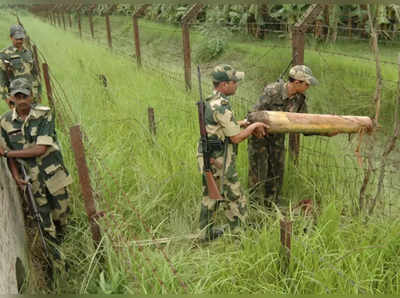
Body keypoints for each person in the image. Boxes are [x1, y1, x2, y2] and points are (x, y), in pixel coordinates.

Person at [198, 64, 268, 241]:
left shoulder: (212, 100)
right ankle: (239, 235)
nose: (236, 84)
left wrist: (241, 123)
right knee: (235, 196)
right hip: (220, 158)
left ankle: (205, 232)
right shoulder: (221, 106)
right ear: (223, 85)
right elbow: (236, 138)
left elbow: (220, 126)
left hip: (211, 155)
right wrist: (253, 126)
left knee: (211, 195)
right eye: (234, 81)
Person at [248, 65, 335, 207]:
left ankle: (270, 210)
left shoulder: (300, 99)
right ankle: (254, 210)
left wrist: (325, 132)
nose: (308, 86)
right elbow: (252, 115)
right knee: (258, 176)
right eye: (306, 83)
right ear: (296, 82)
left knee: (276, 177)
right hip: (260, 140)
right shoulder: (272, 91)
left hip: (278, 142)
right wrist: (258, 127)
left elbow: (305, 125)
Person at [0, 78, 72, 245]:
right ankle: (55, 256)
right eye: (17, 97)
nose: (22, 101)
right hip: (31, 181)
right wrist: (17, 176)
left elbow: (41, 149)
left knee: (62, 215)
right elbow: (8, 152)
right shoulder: (4, 122)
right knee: (43, 220)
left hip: (53, 174)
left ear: (32, 96)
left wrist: (9, 154)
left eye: (25, 96)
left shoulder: (43, 114)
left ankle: (67, 244)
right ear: (11, 98)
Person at [0, 24, 41, 107]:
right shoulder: (4, 55)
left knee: (34, 118)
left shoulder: (29, 53)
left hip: (31, 95)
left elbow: (35, 74)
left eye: (21, 38)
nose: (19, 41)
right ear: (11, 37)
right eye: (17, 39)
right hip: (17, 96)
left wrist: (38, 93)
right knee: (19, 118)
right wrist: (6, 97)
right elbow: (1, 79)